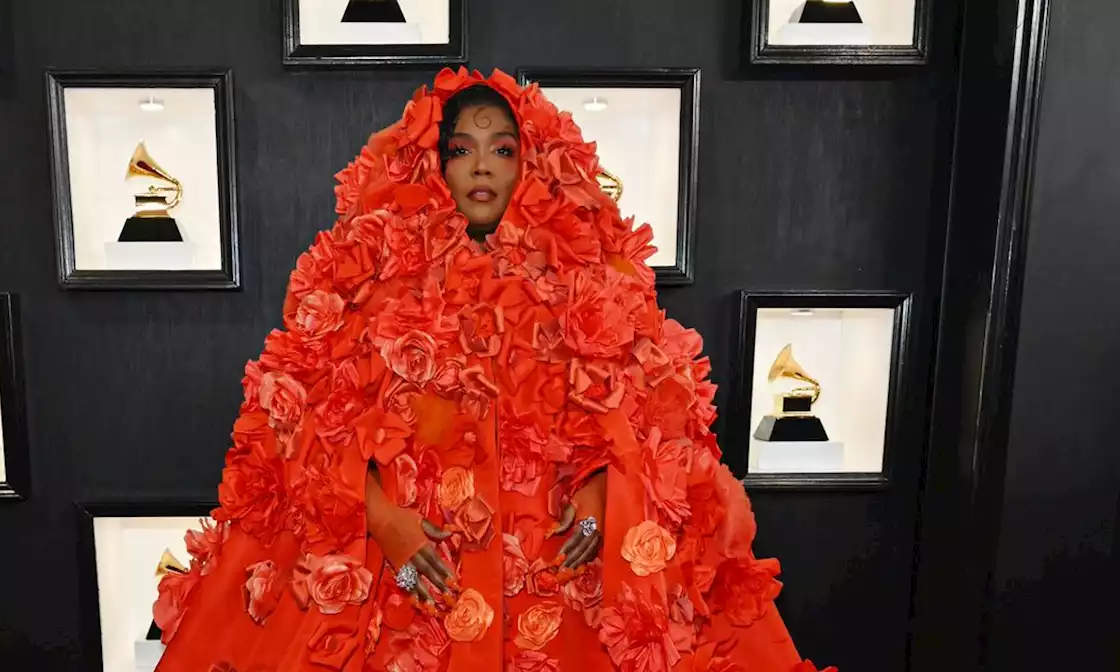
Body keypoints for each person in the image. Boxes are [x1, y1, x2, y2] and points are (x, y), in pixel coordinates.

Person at [151, 67, 836, 672]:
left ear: (532, 163)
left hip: (558, 594)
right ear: (433, 164)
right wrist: (383, 520)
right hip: (413, 589)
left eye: (502, 150)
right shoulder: (370, 279)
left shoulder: (595, 282)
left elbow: (661, 425)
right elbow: (295, 427)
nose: (482, 167)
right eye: (462, 149)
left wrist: (605, 493)